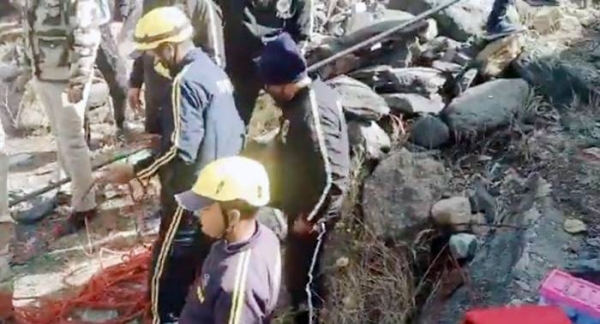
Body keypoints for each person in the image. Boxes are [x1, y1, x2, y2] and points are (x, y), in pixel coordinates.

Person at [98, 6, 245, 323]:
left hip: (188, 194)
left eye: (153, 52)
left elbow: (180, 151)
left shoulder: (185, 83)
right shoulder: (213, 72)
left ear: (169, 47)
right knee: (204, 261)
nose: (153, 60)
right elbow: (236, 130)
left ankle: (162, 317)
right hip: (220, 187)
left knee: (165, 272)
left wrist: (135, 172)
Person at [256, 32, 350, 324]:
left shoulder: (313, 116)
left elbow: (334, 178)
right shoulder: (303, 99)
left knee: (303, 283)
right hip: (300, 205)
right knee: (300, 277)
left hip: (312, 216)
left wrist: (309, 218)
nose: (267, 90)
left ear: (284, 84)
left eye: (269, 85)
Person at [18, 0, 102, 238]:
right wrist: (27, 69)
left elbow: (86, 37)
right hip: (44, 75)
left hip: (66, 80)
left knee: (72, 142)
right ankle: (71, 189)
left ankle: (85, 206)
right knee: (61, 138)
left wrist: (78, 80)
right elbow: (29, 29)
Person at [176, 156, 282, 324]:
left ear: (233, 217)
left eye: (206, 208)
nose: (198, 215)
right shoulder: (262, 236)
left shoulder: (237, 288)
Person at [128, 0, 224, 135]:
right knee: (155, 146)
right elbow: (145, 43)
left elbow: (215, 62)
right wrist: (135, 82)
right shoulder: (150, 2)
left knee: (182, 148)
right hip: (155, 97)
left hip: (185, 103)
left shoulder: (202, 5)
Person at [216, 0, 314, 126]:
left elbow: (303, 35)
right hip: (240, 65)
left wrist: (291, 69)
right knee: (234, 120)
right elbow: (213, 15)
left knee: (297, 120)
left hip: (279, 68)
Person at [95, 0, 131, 135]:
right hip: (74, 28)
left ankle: (122, 124)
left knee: (120, 80)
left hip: (102, 27)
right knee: (78, 84)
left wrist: (120, 16)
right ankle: (81, 138)